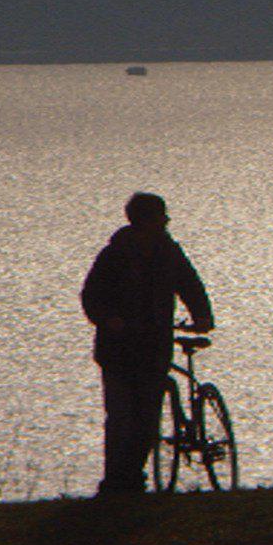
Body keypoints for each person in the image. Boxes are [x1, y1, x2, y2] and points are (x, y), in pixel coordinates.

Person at [81, 192, 215, 494]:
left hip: (154, 347)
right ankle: (116, 481)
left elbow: (190, 285)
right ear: (146, 220)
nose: (166, 221)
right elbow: (92, 295)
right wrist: (108, 319)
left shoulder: (169, 253)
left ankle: (131, 477)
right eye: (161, 215)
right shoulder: (114, 255)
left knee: (146, 419)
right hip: (118, 350)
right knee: (121, 418)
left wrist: (202, 315)